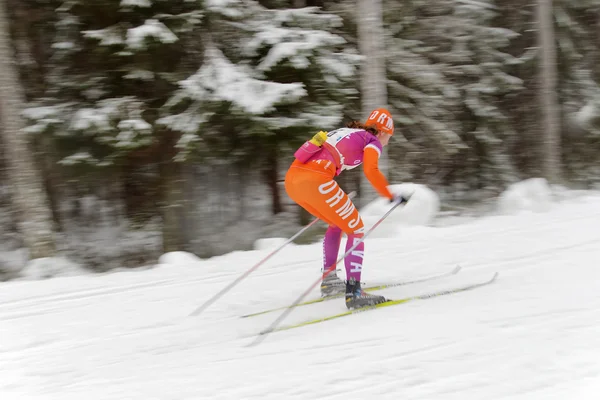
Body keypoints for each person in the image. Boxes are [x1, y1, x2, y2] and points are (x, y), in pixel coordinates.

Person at [284, 108, 403, 310]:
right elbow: (371, 170)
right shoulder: (372, 141)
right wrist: (391, 195)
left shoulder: (346, 133)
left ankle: (330, 282)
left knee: (337, 222)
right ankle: (354, 293)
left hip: (292, 181)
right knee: (355, 228)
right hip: (316, 180)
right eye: (389, 137)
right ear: (382, 132)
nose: (387, 142)